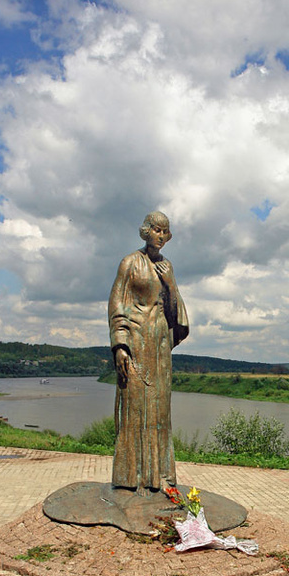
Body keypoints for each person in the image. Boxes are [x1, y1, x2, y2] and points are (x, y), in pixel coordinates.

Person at [109, 211, 189, 493]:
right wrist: (120, 345)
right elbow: (117, 304)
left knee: (159, 412)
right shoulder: (130, 263)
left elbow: (175, 313)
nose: (160, 235)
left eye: (164, 231)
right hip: (135, 345)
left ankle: (161, 477)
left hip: (160, 349)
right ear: (146, 231)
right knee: (135, 409)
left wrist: (170, 284)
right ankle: (131, 478)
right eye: (156, 229)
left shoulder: (167, 267)